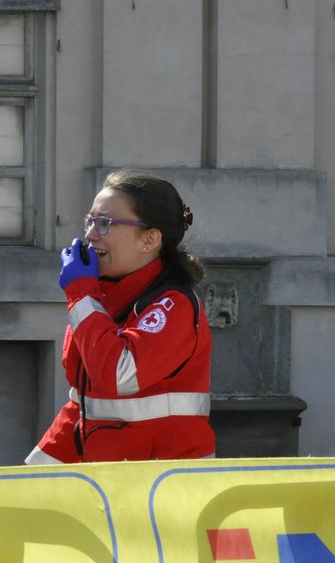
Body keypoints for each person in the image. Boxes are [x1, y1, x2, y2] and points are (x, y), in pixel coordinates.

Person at [25, 170, 215, 464]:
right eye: (90, 221)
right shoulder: (101, 298)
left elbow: (118, 376)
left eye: (105, 224)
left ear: (149, 240)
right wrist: (34, 475)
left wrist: (81, 294)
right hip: (112, 482)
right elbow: (84, 405)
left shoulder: (173, 306)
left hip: (164, 491)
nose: (90, 235)